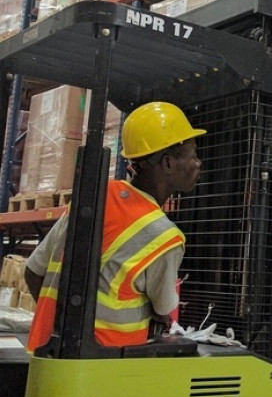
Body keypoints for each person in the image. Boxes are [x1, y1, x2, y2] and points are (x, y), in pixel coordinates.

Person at [24, 101, 204, 350]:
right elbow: (164, 310)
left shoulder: (95, 199)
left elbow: (33, 272)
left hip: (46, 357)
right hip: (108, 371)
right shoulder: (165, 236)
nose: (198, 163)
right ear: (168, 163)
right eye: (193, 155)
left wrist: (61, 332)